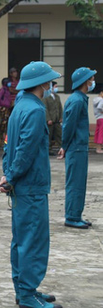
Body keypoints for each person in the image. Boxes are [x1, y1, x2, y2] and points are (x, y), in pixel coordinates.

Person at [0, 61, 62, 308]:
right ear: (43, 83)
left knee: (21, 240)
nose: (51, 83)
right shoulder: (35, 110)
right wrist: (11, 176)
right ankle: (27, 294)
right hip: (31, 185)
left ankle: (24, 289)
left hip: (20, 185)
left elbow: (8, 145)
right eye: (50, 80)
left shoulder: (20, 105)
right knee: (33, 240)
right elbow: (26, 149)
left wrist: (7, 174)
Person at [58, 67, 96, 229]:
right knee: (75, 183)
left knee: (79, 182)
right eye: (91, 79)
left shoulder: (79, 98)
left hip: (79, 147)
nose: (93, 81)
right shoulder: (77, 100)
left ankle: (76, 214)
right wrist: (64, 145)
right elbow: (68, 126)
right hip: (76, 147)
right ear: (85, 81)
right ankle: (72, 216)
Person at [43, 81, 63, 153]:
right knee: (49, 135)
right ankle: (48, 149)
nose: (56, 88)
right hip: (50, 120)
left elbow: (60, 108)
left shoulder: (57, 97)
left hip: (57, 119)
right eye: (55, 87)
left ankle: (62, 147)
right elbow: (46, 108)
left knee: (59, 134)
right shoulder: (46, 97)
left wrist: (61, 117)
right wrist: (48, 119)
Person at [94, 87, 103, 154]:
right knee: (101, 133)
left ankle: (97, 148)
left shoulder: (95, 99)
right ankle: (99, 149)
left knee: (97, 132)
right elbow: (100, 107)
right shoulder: (101, 100)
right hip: (102, 118)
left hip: (98, 118)